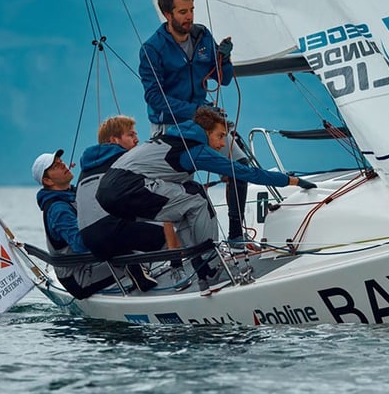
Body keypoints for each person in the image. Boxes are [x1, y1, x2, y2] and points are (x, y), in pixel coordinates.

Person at [97, 106, 316, 292]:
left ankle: (202, 269)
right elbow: (244, 172)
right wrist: (292, 181)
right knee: (197, 199)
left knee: (187, 198)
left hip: (108, 193)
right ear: (205, 132)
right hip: (127, 188)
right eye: (220, 136)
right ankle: (212, 266)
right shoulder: (195, 149)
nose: (223, 144)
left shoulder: (171, 138)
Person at [138, 0, 250, 249]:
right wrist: (196, 111)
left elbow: (223, 80)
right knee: (174, 194)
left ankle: (236, 236)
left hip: (204, 122)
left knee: (240, 166)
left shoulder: (202, 36)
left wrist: (225, 59)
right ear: (168, 15)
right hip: (169, 127)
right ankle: (178, 252)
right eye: (182, 12)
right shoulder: (152, 50)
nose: (189, 17)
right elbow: (154, 97)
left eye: (191, 10)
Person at [33, 147, 156, 295]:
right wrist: (115, 234)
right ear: (47, 180)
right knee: (139, 252)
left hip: (94, 262)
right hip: (80, 276)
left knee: (142, 244)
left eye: (61, 161)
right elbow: (80, 244)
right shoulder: (58, 209)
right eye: (55, 166)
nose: (63, 165)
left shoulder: (73, 194)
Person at [75, 115, 173, 291]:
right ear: (114, 139)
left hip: (91, 239)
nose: (137, 139)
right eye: (131, 135)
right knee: (171, 232)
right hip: (114, 230)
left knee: (133, 226)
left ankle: (137, 271)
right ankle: (186, 272)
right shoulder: (125, 162)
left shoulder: (86, 168)